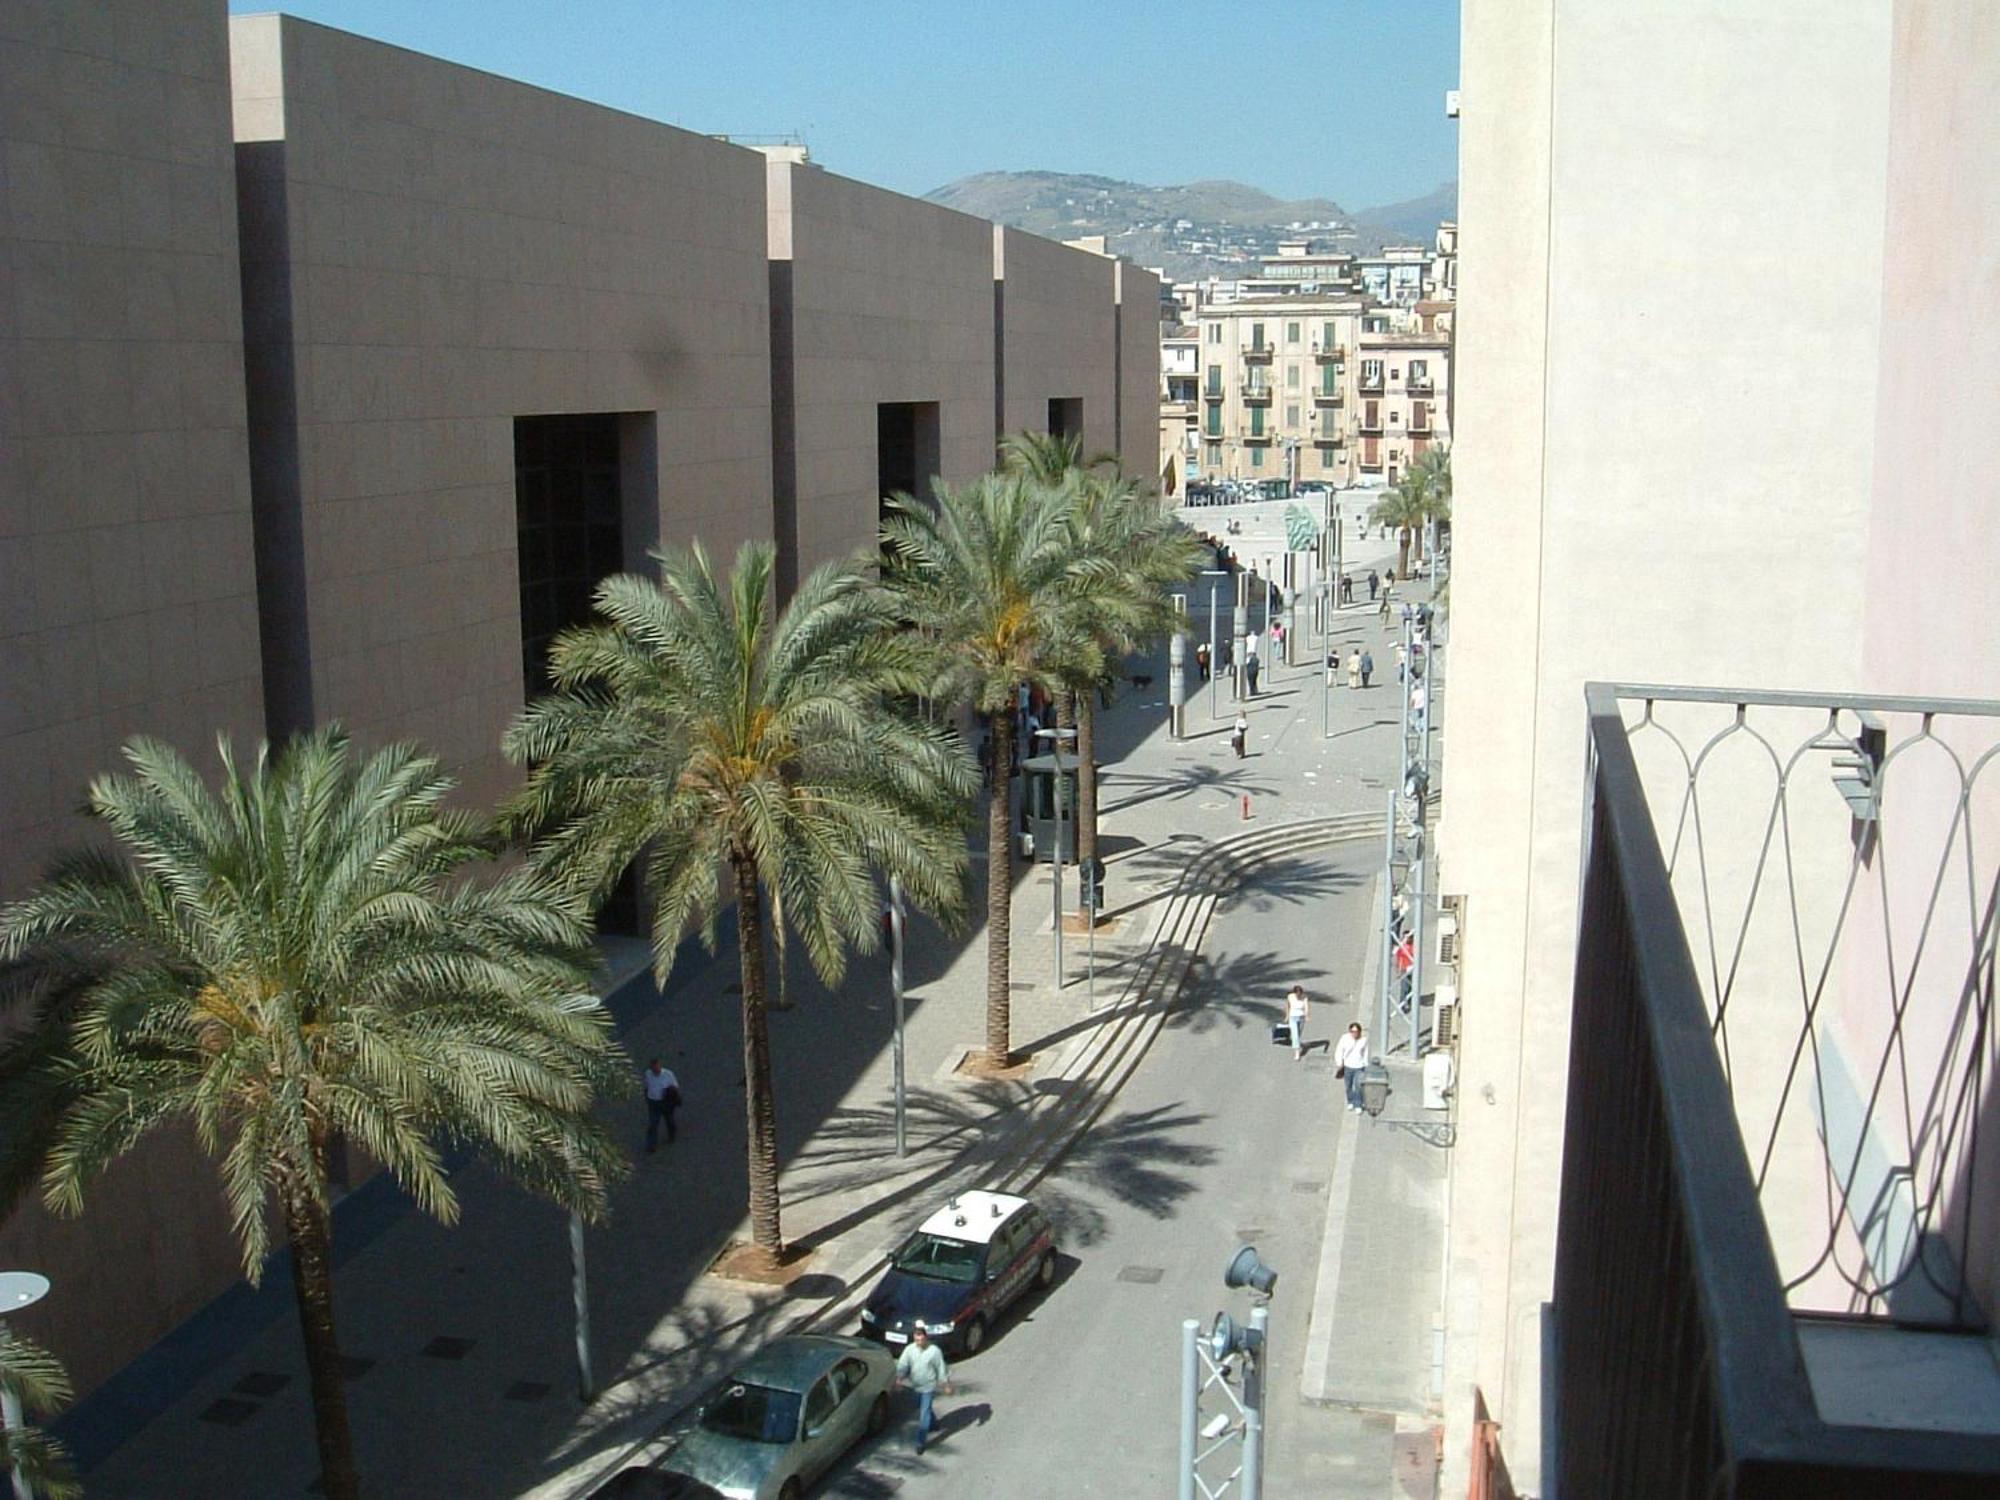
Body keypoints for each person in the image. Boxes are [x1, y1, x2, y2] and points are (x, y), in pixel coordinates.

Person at [893, 1325, 955, 1456]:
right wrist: (899, 1379)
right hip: (915, 1386)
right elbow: (903, 1364)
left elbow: (941, 1369)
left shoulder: (934, 1351)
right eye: (916, 1337)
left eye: (921, 1336)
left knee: (924, 1414)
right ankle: (933, 1423)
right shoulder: (909, 1350)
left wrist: (946, 1384)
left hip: (928, 1387)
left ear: (926, 1337)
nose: (919, 1339)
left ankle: (920, 1443)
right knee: (923, 1408)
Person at [643, 1058, 681, 1152]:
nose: (655, 1070)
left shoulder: (668, 1074)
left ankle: (671, 1134)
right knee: (653, 1124)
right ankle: (652, 1145)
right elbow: (646, 1086)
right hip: (653, 1102)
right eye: (653, 1068)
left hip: (665, 1102)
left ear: (659, 1065)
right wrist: (647, 1096)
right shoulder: (648, 1074)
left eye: (656, 1067)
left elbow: (675, 1086)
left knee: (669, 1120)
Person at [1334, 1023, 1369, 1113]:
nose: (1354, 1033)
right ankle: (1350, 1101)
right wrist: (1339, 1062)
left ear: (1359, 1032)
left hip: (1359, 1066)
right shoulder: (1345, 1038)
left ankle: (1358, 1104)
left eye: (1356, 1031)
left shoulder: (1364, 1040)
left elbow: (1365, 1052)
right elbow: (1339, 1050)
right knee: (1348, 1086)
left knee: (1358, 1086)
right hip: (1348, 1066)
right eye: (1352, 1031)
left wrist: (1366, 1064)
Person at [1285, 984, 1310, 1061]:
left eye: (1300, 994)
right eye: (1297, 994)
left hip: (1301, 1017)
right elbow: (1288, 1006)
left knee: (1298, 1034)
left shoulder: (1304, 997)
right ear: (1294, 993)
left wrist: (1307, 1016)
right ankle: (1297, 1052)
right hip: (1293, 1017)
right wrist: (1287, 1016)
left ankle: (1296, 1043)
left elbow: (1306, 1007)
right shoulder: (1290, 997)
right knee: (1295, 1035)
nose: (1298, 996)